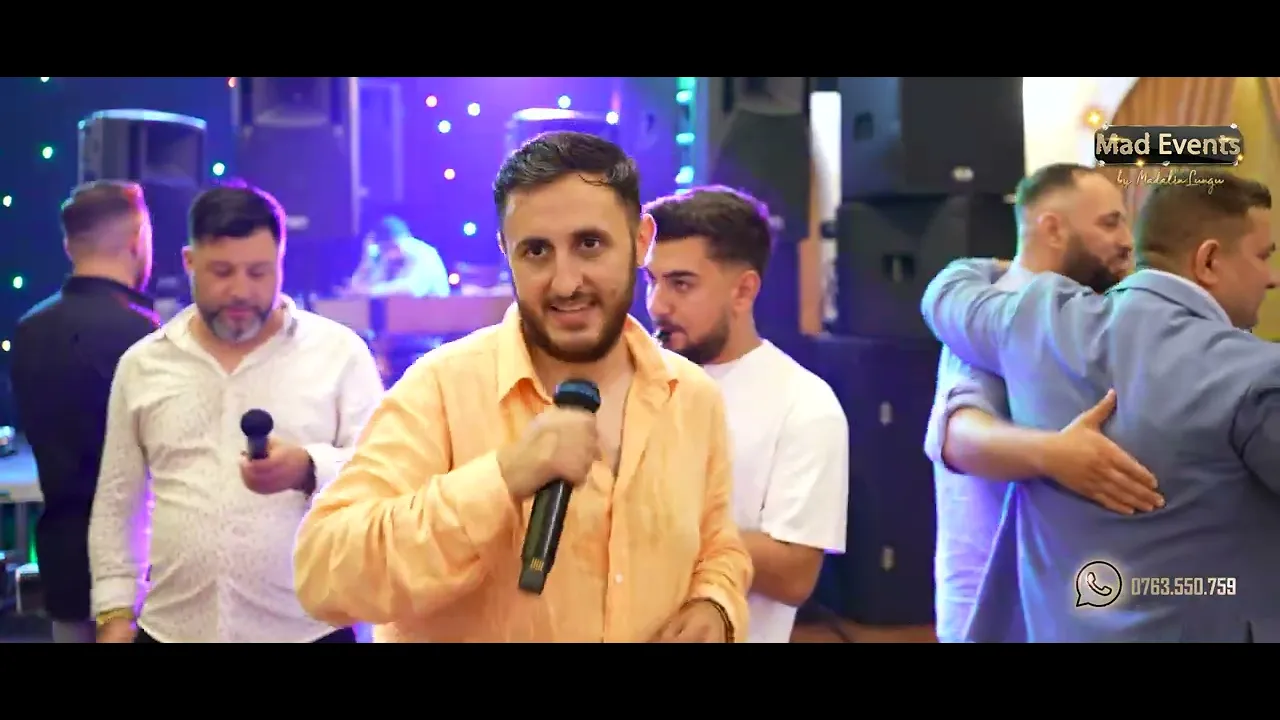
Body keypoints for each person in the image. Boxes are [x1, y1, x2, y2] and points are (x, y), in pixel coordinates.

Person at [292, 131, 752, 643]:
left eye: (589, 244)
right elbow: (325, 575)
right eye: (536, 251)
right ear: (505, 251)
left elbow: (719, 547)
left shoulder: (692, 397)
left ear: (642, 240)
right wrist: (504, 476)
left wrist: (714, 603)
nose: (565, 282)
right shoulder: (441, 389)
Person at [920, 170, 1280, 642]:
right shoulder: (1256, 372)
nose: (1273, 278)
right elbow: (953, 437)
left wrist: (991, 266)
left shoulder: (1034, 319)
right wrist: (1052, 453)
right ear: (1208, 260)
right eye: (1264, 256)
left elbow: (943, 294)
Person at [88, 182, 385, 643]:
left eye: (259, 272)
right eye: (222, 272)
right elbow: (117, 502)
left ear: (281, 263)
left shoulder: (339, 354)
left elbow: (384, 477)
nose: (241, 290)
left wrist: (309, 468)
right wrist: (114, 614)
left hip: (307, 630)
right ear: (189, 263)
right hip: (172, 629)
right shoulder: (144, 365)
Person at [922, 164, 1161, 643]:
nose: (1126, 240)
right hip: (998, 613)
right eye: (1110, 223)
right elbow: (957, 438)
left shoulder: (1083, 312)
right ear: (1052, 228)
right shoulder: (998, 310)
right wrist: (1058, 455)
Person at [642, 186, 847, 643]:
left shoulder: (804, 405)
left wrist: (650, 522)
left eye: (681, 284)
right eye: (651, 281)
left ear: (743, 291)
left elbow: (795, 574)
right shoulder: (626, 382)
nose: (657, 304)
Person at [10, 181, 158, 643]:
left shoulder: (29, 330)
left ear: (68, 245)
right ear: (137, 240)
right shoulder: (145, 337)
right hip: (139, 572)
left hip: (63, 566)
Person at [347, 214, 450, 298]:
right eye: (384, 248)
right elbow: (364, 286)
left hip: (435, 314)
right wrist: (366, 260)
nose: (389, 253)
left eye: (391, 246)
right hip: (403, 314)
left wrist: (370, 291)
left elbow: (411, 290)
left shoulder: (425, 254)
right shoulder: (386, 258)